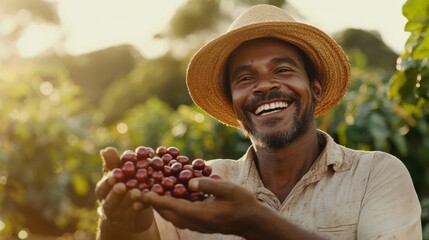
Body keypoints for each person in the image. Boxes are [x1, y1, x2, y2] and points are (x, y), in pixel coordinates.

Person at [95, 4, 422, 240]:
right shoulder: (200, 188)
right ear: (235, 108)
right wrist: (121, 224)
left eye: (282, 70)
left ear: (316, 90)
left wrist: (257, 224)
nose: (264, 86)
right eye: (246, 78)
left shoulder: (375, 176)